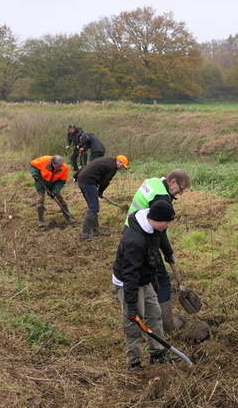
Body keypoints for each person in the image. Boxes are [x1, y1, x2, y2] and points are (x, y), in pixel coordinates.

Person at [113, 200, 182, 369]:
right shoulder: (134, 241)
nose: (167, 226)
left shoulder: (154, 229)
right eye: (167, 222)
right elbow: (130, 275)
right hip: (129, 283)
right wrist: (131, 306)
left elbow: (152, 257)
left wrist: (154, 282)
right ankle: (134, 363)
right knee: (134, 322)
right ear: (157, 219)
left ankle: (157, 354)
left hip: (144, 278)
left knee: (154, 315)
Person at [125, 169, 192, 334]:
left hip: (131, 230)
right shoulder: (161, 198)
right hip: (143, 238)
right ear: (173, 182)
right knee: (161, 278)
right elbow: (160, 231)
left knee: (149, 276)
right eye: (181, 189)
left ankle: (151, 313)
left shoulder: (155, 182)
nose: (181, 193)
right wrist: (168, 253)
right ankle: (168, 324)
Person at [76, 155, 129, 240]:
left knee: (93, 207)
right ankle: (85, 234)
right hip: (88, 182)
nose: (121, 168)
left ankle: (96, 230)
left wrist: (76, 176)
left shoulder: (107, 159)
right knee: (94, 208)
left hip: (82, 179)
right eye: (122, 166)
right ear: (118, 161)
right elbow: (105, 181)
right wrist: (100, 191)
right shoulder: (113, 167)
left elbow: (88, 166)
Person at [29, 155, 76, 227]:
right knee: (40, 200)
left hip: (54, 183)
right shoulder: (43, 160)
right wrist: (34, 174)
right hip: (41, 181)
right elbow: (32, 165)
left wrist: (54, 192)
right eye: (58, 167)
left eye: (61, 166)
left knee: (61, 199)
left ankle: (68, 217)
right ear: (52, 163)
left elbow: (62, 182)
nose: (60, 168)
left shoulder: (65, 168)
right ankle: (41, 221)